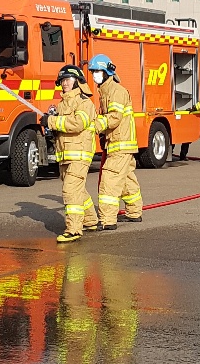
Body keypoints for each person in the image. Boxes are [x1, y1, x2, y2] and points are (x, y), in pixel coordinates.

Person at [44, 65, 99, 243]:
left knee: (70, 190)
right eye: (62, 81)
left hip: (79, 154)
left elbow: (77, 124)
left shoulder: (84, 102)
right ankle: (90, 220)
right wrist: (51, 126)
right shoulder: (62, 104)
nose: (64, 83)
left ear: (77, 81)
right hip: (66, 155)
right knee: (78, 190)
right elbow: (63, 127)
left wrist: (52, 121)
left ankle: (74, 230)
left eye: (67, 80)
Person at [88, 54, 143, 229]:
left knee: (109, 181)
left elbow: (114, 118)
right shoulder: (106, 91)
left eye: (97, 71)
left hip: (120, 144)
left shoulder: (116, 92)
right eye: (93, 72)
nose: (94, 75)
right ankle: (134, 212)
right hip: (119, 143)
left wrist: (94, 126)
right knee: (126, 180)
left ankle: (108, 220)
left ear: (107, 72)